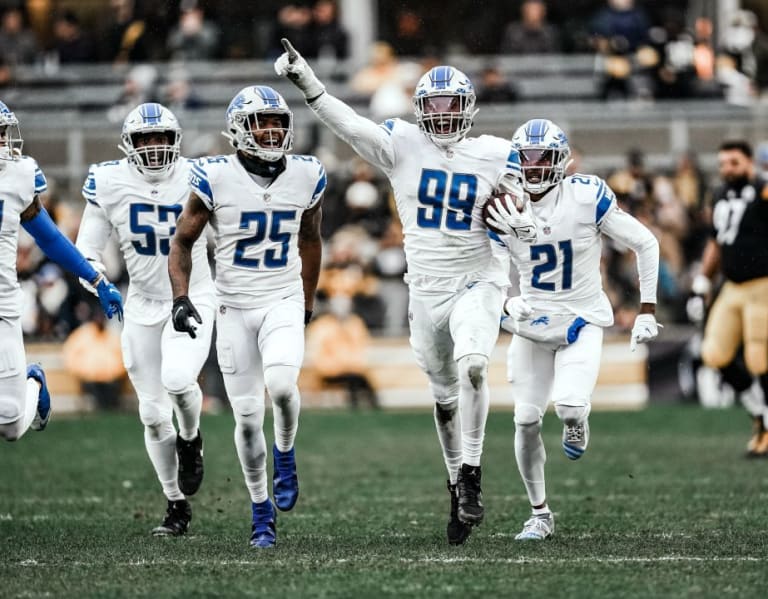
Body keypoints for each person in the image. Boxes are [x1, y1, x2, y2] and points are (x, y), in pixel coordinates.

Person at [275, 39, 538, 545]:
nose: (441, 117)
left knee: (475, 366)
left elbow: (532, 215)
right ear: (420, 111)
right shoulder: (403, 143)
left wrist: (524, 229)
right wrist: (307, 82)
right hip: (426, 290)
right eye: (432, 107)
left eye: (450, 106)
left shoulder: (498, 155)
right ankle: (454, 480)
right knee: (443, 400)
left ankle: (473, 474)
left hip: (478, 279)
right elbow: (348, 124)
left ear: (469, 109)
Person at [487, 118, 660, 540]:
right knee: (525, 419)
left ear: (561, 160)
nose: (532, 165)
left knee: (567, 407)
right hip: (531, 323)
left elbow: (645, 242)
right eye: (525, 156)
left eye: (541, 156)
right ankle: (540, 513)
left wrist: (648, 309)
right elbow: (486, 270)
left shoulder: (585, 196)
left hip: (582, 319)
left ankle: (577, 418)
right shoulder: (501, 203)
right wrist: (507, 299)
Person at [168, 85, 325, 549]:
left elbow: (311, 240)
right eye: (263, 122)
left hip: (281, 297)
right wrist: (181, 297)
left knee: (281, 386)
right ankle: (261, 514)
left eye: (278, 121)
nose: (273, 130)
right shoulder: (214, 176)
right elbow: (182, 243)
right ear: (239, 130)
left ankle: (286, 453)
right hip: (232, 306)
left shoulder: (307, 173)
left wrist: (307, 301)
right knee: (248, 418)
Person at [75, 102, 215, 536]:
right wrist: (100, 284)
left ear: (176, 141)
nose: (154, 148)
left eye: (161, 138)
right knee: (153, 415)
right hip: (141, 305)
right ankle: (176, 505)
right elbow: (87, 251)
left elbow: (229, 237)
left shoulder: (201, 175)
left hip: (193, 296)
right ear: (128, 144)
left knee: (177, 380)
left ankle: (190, 439)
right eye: (144, 139)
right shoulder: (109, 180)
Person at [0, 99, 123, 443]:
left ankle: (33, 380)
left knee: (10, 426)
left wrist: (96, 278)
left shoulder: (17, 176)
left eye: (2, 134)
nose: (2, 143)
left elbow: (51, 238)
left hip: (3, 308)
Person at [687, 140, 768, 457]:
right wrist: (701, 283)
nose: (726, 169)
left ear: (749, 162)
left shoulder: (762, 189)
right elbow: (716, 244)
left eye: (733, 163)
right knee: (715, 354)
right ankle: (760, 416)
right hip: (732, 285)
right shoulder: (719, 194)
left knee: (759, 359)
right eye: (722, 163)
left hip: (762, 283)